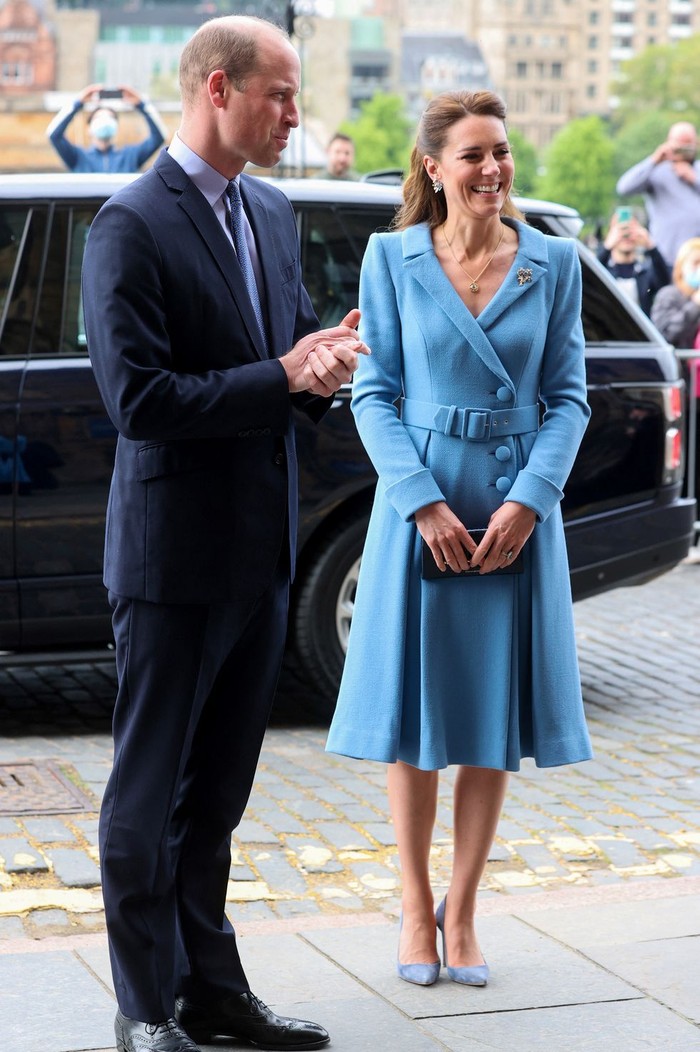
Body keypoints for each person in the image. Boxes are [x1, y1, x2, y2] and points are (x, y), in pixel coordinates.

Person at [81, 15, 368, 1052]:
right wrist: (279, 374)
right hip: (173, 560)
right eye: (278, 94)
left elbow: (278, 363)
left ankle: (210, 991)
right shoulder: (129, 222)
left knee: (216, 800)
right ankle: (143, 1006)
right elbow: (139, 400)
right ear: (216, 88)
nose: (294, 115)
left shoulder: (272, 210)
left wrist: (320, 368)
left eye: (294, 97)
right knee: (147, 792)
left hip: (261, 553)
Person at [325, 89, 593, 988]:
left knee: (487, 714)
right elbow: (374, 394)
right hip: (422, 505)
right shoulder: (391, 257)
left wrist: (531, 502)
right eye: (473, 154)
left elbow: (569, 399)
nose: (492, 169)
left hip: (515, 508)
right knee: (416, 717)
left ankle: (465, 909)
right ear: (433, 167)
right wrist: (419, 502)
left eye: (501, 151)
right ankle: (414, 905)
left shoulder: (553, 263)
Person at [616, 121, 700, 269]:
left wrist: (694, 179)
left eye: (687, 146)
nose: (683, 151)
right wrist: (654, 160)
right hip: (663, 259)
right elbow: (624, 188)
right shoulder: (656, 171)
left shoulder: (697, 170)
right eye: (679, 145)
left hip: (695, 261)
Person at [47, 83, 167, 173]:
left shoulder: (130, 156)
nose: (105, 120)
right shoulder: (77, 157)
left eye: (110, 117)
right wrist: (78, 103)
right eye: (99, 117)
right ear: (88, 128)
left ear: (116, 126)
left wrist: (142, 104)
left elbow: (159, 137)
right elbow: (54, 135)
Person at [597, 208, 669, 316]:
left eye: (630, 229)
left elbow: (664, 282)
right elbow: (587, 279)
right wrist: (607, 247)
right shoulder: (603, 270)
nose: (626, 235)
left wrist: (650, 245)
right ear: (611, 233)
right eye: (621, 229)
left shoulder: (645, 271)